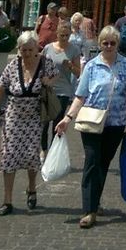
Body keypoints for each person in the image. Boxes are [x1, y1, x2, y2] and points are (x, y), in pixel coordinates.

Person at [55, 25, 126, 228]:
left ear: (118, 44)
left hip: (116, 124)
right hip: (91, 121)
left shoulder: (125, 65)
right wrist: (67, 118)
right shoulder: (91, 66)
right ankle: (89, 210)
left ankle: (95, 200)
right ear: (99, 44)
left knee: (103, 164)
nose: (108, 46)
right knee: (92, 162)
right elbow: (80, 96)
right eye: (105, 43)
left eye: (112, 43)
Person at [0, 30, 57, 215]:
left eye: (29, 49)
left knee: (31, 155)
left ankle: (32, 187)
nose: (25, 53)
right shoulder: (12, 66)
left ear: (36, 48)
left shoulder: (45, 63)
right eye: (22, 49)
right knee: (9, 156)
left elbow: (55, 76)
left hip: (34, 117)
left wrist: (48, 82)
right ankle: (7, 201)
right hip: (13, 117)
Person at [41, 19, 82, 153]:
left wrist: (70, 66)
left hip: (63, 90)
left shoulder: (74, 49)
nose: (64, 38)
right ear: (56, 34)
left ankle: (54, 151)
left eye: (67, 35)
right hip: (47, 89)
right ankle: (43, 151)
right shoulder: (48, 48)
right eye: (62, 35)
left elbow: (78, 73)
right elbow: (40, 66)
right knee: (44, 122)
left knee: (57, 121)